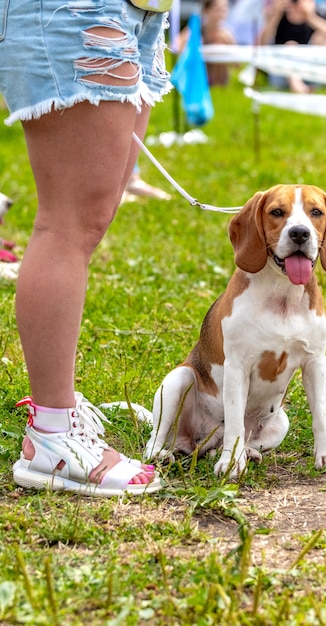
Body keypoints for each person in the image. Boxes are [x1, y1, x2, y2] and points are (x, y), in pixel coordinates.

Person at [0, 0, 174, 496]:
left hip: (138, 10)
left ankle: (59, 408)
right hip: (73, 8)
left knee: (91, 218)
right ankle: (51, 435)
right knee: (69, 223)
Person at [259, 0, 326, 95]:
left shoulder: (315, 14)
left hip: (310, 70)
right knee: (291, 46)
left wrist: (311, 17)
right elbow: (263, 44)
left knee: (322, 39)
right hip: (282, 72)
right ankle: (297, 87)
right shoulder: (277, 14)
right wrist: (276, 14)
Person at [177, 0, 237, 86]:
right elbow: (176, 46)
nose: (221, 13)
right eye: (218, 9)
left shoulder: (225, 35)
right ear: (207, 10)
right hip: (196, 76)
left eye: (224, 9)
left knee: (220, 43)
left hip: (218, 81)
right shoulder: (196, 30)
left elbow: (237, 64)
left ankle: (217, 85)